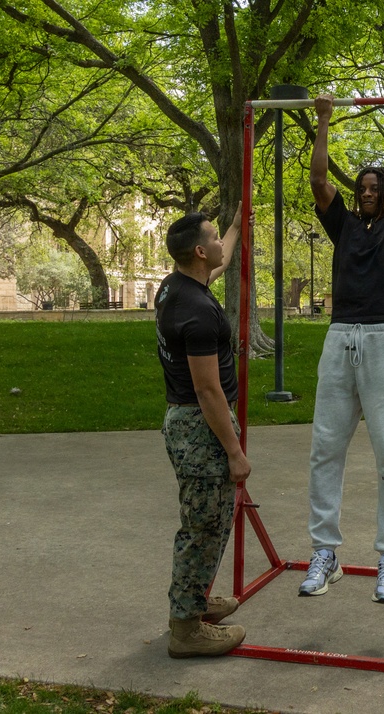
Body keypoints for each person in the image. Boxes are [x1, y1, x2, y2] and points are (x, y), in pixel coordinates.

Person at [298, 91, 384, 606]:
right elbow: (319, 181)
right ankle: (325, 552)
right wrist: (323, 120)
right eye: (363, 187)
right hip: (340, 336)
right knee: (325, 448)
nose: (367, 193)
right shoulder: (344, 225)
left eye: (375, 187)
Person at [155, 203, 253, 658]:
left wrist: (235, 227)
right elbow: (208, 390)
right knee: (203, 527)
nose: (219, 244)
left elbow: (224, 259)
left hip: (186, 422)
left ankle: (192, 601)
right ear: (198, 251)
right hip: (201, 426)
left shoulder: (178, 287)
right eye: (213, 237)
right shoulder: (196, 311)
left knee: (206, 521)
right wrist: (234, 451)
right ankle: (185, 628)